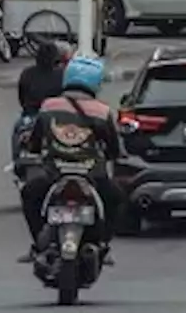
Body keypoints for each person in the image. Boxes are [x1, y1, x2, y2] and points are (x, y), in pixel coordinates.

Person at [19, 55, 123, 263]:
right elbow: (114, 149)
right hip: (93, 176)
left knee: (29, 194)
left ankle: (38, 244)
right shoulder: (103, 112)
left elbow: (34, 143)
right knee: (117, 199)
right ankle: (103, 245)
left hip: (54, 174)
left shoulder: (49, 107)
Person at [14, 41, 68, 160]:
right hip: (57, 116)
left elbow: (22, 97)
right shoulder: (62, 75)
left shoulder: (27, 73)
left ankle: (17, 161)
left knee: (18, 131)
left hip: (32, 115)